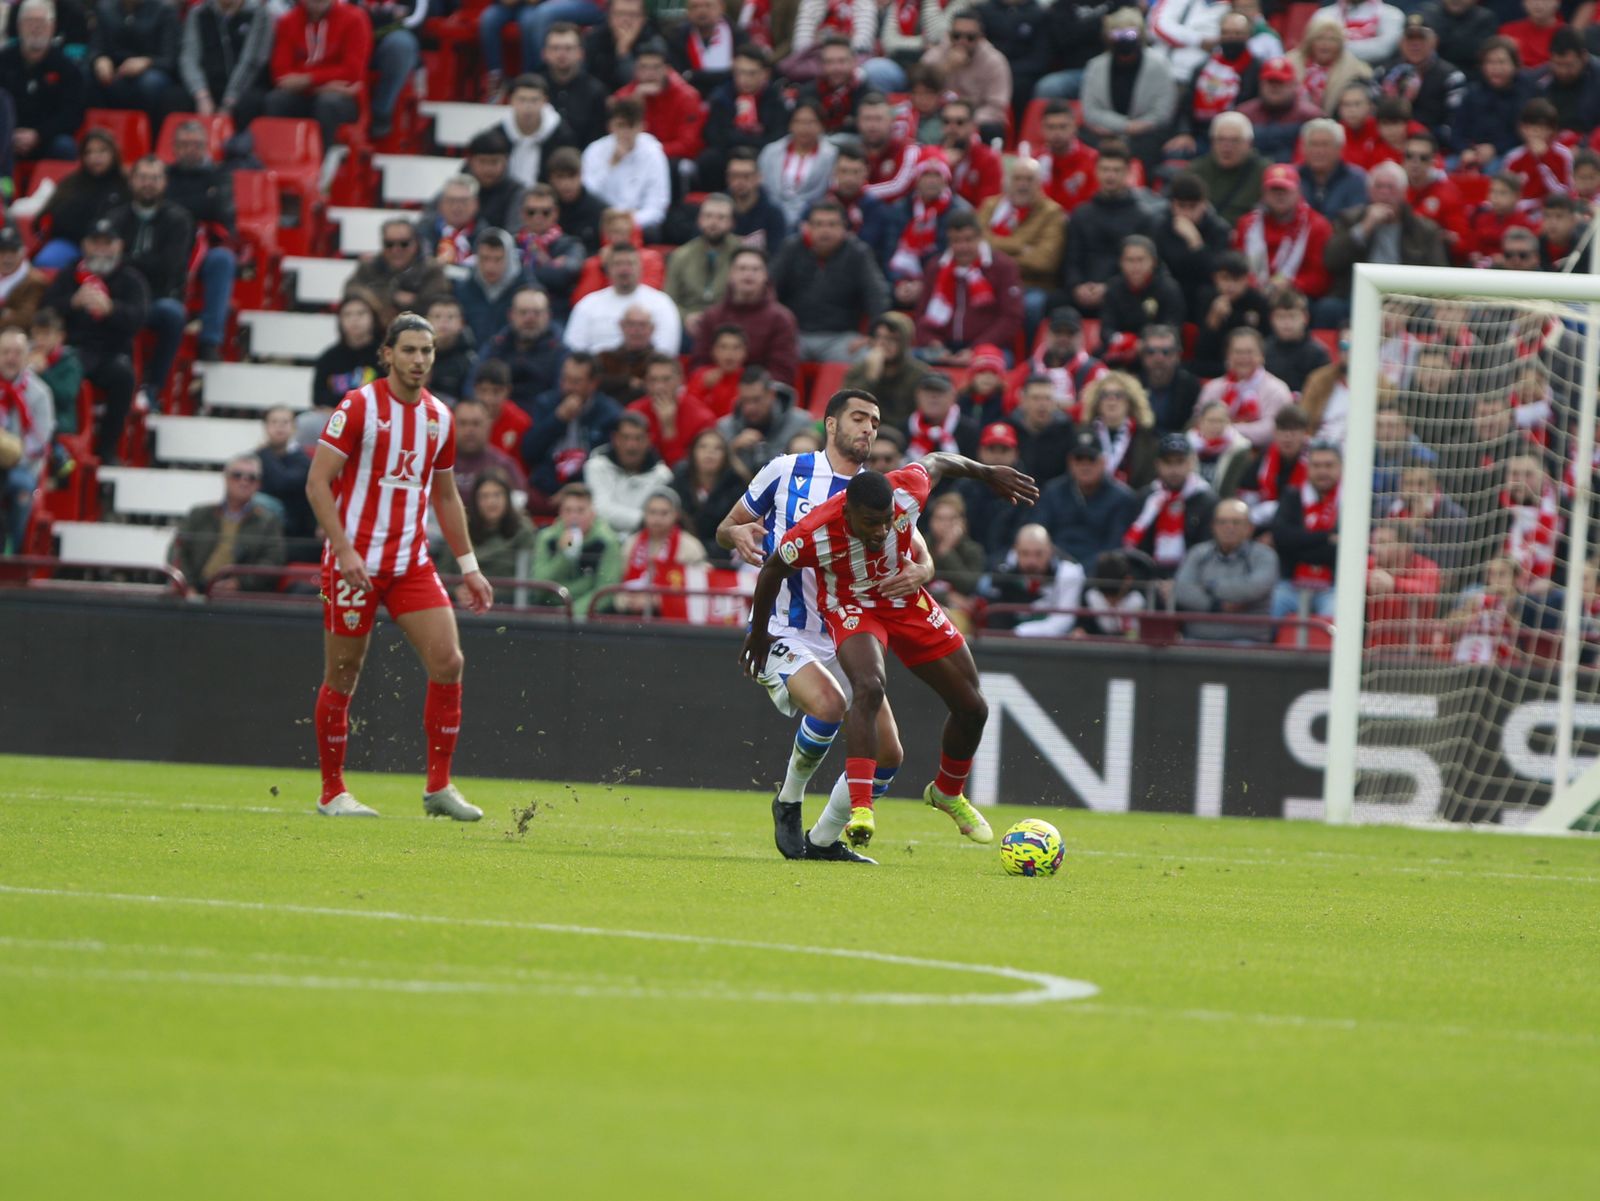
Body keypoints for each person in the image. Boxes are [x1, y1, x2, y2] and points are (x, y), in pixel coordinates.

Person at [741, 442, 1039, 854]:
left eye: (886, 522)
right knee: (869, 685)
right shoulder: (814, 531)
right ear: (846, 514)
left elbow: (939, 461)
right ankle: (861, 809)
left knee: (973, 706)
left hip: (906, 601)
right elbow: (772, 569)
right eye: (871, 524)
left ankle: (948, 793)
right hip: (852, 607)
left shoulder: (905, 491)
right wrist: (758, 634)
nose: (881, 531)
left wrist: (986, 472)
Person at [304, 312, 492, 820]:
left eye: (427, 351)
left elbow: (447, 498)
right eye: (409, 350)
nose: (418, 360)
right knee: (343, 672)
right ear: (387, 354)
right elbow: (317, 483)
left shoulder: (439, 417)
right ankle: (332, 792)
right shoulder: (358, 405)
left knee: (449, 661)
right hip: (352, 564)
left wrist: (470, 566)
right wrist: (343, 550)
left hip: (410, 563)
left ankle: (438, 787)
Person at [41, 218, 148, 464]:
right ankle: (56, 443)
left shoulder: (131, 280)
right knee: (51, 371)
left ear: (119, 246)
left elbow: (138, 318)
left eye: (106, 243)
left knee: (123, 375)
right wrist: (72, 303)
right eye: (94, 243)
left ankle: (108, 449)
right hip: (71, 351)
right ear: (84, 245)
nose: (100, 249)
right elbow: (45, 311)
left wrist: (111, 309)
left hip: (109, 354)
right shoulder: (69, 276)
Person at [107, 155, 194, 413]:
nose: (148, 184)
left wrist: (126, 260)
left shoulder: (179, 219)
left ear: (164, 182)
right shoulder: (115, 216)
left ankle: (152, 388)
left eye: (154, 178)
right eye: (143, 177)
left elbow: (170, 267)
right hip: (117, 296)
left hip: (158, 298)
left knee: (173, 314)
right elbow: (102, 260)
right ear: (132, 181)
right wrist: (140, 262)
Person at [1323, 160, 1450, 325]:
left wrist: (1409, 302)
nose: (1384, 193)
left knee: (1428, 313)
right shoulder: (1349, 219)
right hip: (1358, 295)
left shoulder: (1424, 229)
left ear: (1404, 193)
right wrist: (1364, 227)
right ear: (1369, 191)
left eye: (1391, 187)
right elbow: (1331, 261)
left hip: (1407, 300)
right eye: (1379, 187)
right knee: (1328, 308)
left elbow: (1439, 274)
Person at [770, 201, 889, 362]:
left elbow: (877, 295)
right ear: (808, 228)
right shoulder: (791, 249)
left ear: (844, 228)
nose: (825, 231)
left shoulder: (858, 254)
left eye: (832, 224)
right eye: (818, 224)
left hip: (841, 338)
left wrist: (874, 335)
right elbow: (769, 289)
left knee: (867, 359)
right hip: (794, 334)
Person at [1057, 140, 1156, 317]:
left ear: (1127, 173)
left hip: (1124, 294)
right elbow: (1071, 259)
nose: (1110, 176)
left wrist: (1109, 288)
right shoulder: (1081, 214)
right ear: (1096, 171)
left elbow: (1145, 266)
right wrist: (1077, 286)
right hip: (1080, 293)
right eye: (1105, 169)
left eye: (1116, 170)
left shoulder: (1143, 217)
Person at [912, 211, 1024, 363]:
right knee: (909, 359)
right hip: (941, 347)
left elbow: (1011, 317)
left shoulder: (1002, 266)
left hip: (987, 346)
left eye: (968, 240)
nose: (962, 247)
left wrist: (976, 348)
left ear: (980, 238)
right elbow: (922, 314)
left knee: (996, 363)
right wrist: (933, 343)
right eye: (956, 241)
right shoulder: (936, 267)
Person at [169, 452, 286, 595]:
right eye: (237, 475)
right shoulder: (198, 514)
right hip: (194, 590)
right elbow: (177, 550)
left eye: (252, 477)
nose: (244, 481)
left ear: (258, 484)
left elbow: (272, 562)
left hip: (239, 598)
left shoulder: (269, 521)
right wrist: (188, 586)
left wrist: (239, 583)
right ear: (225, 478)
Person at [265, 0, 370, 153]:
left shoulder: (355, 18)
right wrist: (324, 84)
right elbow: (281, 74)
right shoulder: (288, 21)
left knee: (327, 104)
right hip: (311, 94)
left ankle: (320, 165)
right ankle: (279, 160)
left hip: (342, 99)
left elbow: (352, 72)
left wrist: (306, 79)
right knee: (276, 100)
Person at [977, 157, 1065, 337]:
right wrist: (1020, 246)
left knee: (1031, 306)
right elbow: (975, 246)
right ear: (1007, 181)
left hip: (1029, 284)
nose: (1022, 185)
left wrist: (994, 247)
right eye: (1017, 179)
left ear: (1040, 183)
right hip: (989, 281)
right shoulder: (990, 206)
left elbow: (1044, 261)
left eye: (1029, 179)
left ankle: (1027, 356)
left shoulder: (1052, 213)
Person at [1081, 8, 1177, 169]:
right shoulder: (1095, 66)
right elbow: (1090, 110)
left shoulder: (1160, 65)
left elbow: (1162, 112)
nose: (1124, 39)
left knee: (1149, 144)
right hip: (1104, 133)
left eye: (1130, 34)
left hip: (1146, 134)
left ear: (1140, 35)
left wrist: (1135, 128)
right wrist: (1124, 126)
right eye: (1117, 34)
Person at [1173, 498, 1278, 641]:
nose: (1229, 527)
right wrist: (1216, 606)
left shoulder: (1265, 555)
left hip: (1247, 641)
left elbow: (1253, 589)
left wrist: (1208, 586)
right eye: (1222, 522)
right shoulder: (1198, 553)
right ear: (1213, 526)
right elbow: (1182, 590)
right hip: (1196, 638)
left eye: (1236, 522)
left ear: (1250, 528)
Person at [522, 351, 621, 500]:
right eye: (565, 379)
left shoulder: (609, 414)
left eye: (576, 381)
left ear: (593, 383)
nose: (568, 387)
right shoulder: (546, 403)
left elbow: (607, 462)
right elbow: (529, 452)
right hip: (547, 489)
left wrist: (573, 491)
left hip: (590, 491)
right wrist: (557, 419)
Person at [1034, 429, 1140, 566]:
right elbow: (1039, 531)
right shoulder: (1053, 491)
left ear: (1103, 462)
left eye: (1091, 459)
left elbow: (1115, 546)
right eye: (1079, 459)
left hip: (1100, 574)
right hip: (1053, 568)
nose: (1085, 466)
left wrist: (1083, 571)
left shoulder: (1122, 498)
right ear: (1070, 462)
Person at [0, 0, 87, 164]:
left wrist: (39, 134)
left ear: (52, 27)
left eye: (41, 22)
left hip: (47, 138)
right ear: (18, 26)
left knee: (65, 146)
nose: (35, 27)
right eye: (29, 21)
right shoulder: (3, 61)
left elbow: (73, 113)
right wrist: (10, 132)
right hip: (7, 136)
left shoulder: (67, 67)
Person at [1235, 163, 1334, 303]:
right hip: (1254, 294)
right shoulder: (1246, 225)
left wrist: (1290, 284)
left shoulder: (1317, 226)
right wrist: (1255, 285)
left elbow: (1320, 277)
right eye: (1274, 190)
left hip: (1298, 298)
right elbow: (1238, 266)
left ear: (1298, 192)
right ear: (1263, 193)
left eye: (1285, 190)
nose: (1279, 195)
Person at [436, 469, 540, 601]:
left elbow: (527, 581)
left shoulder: (523, 531)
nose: (491, 502)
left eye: (497, 495)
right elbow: (443, 576)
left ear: (507, 498)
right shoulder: (460, 529)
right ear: (475, 500)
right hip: (463, 606)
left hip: (506, 607)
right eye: (484, 496)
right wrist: (456, 591)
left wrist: (484, 593)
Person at [699, 42, 788, 192]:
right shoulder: (721, 97)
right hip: (727, 155)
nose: (744, 79)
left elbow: (778, 136)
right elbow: (714, 134)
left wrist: (748, 141)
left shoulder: (775, 99)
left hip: (763, 155)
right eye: (739, 73)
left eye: (751, 73)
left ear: (765, 74)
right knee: (709, 160)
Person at [1123, 432, 1215, 577]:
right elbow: (1136, 548)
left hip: (1193, 577)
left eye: (1180, 461)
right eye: (1168, 462)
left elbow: (1207, 548)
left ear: (1191, 462)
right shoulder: (1146, 498)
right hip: (1147, 576)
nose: (1174, 469)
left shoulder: (1206, 499)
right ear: (1157, 464)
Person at [35, 130, 129, 271]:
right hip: (71, 243)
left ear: (114, 153)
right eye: (88, 152)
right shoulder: (70, 183)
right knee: (46, 260)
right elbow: (50, 217)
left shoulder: (126, 185)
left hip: (110, 248)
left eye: (102, 151)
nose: (95, 157)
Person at [1269, 437, 1342, 619]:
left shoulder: (1348, 499)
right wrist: (1326, 538)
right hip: (1291, 584)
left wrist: (1301, 543)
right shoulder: (1292, 495)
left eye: (1328, 465)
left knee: (1333, 614)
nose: (1322, 471)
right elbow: (1281, 538)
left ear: (1340, 467)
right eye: (1317, 465)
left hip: (1333, 587)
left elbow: (1347, 549)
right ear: (1308, 468)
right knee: (1275, 604)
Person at [976, 522, 1087, 637]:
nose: (1031, 561)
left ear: (1050, 551)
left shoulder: (1070, 571)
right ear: (1016, 550)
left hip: (1054, 644)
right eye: (1025, 553)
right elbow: (997, 617)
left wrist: (1020, 632)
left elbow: (1064, 620)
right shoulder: (1001, 569)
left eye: (1039, 554)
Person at [531, 482, 623, 617]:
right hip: (548, 610)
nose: (574, 516)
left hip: (588, 616)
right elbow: (538, 587)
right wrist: (563, 555)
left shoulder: (607, 542)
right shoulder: (547, 538)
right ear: (560, 512)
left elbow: (605, 592)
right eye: (568, 510)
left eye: (580, 510)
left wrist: (572, 613)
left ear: (592, 512)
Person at [87, 0, 184, 127]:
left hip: (152, 70)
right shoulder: (105, 9)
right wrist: (99, 59)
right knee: (86, 77)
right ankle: (97, 134)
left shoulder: (164, 11)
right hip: (116, 69)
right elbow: (95, 46)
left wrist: (147, 62)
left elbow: (170, 59)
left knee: (149, 83)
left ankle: (146, 135)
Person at [1151, 171, 1233, 320]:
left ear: (1204, 205)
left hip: (1200, 293)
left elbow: (1216, 274)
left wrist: (1195, 242)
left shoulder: (1218, 230)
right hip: (1171, 290)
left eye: (1193, 207)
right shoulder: (1160, 227)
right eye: (1182, 206)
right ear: (1172, 205)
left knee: (1208, 293)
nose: (1187, 213)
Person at [0, 327, 53, 553]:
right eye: (5, 352)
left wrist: (10, 453)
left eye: (17, 352)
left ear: (26, 356)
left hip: (24, 466)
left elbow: (40, 443)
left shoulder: (39, 392)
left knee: (21, 489)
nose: (11, 358)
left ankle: (15, 551)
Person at [1197, 327, 1294, 450]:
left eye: (1249, 352)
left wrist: (1226, 430)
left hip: (1260, 456)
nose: (1243, 358)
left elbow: (1270, 431)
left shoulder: (1277, 390)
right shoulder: (1212, 388)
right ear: (1228, 356)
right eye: (1237, 352)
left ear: (1261, 356)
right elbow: (1199, 423)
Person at [920, 12, 1012, 141]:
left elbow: (996, 108)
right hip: (938, 117)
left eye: (970, 37)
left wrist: (964, 120)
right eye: (956, 36)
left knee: (992, 129)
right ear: (949, 35)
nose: (962, 41)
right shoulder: (934, 57)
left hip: (976, 120)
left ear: (980, 38)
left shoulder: (994, 62)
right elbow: (920, 91)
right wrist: (945, 68)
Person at [615, 487, 708, 612]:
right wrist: (626, 601)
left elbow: (697, 587)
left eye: (664, 513)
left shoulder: (691, 546)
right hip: (630, 613)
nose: (657, 519)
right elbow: (618, 583)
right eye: (652, 512)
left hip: (674, 616)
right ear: (644, 514)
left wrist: (657, 601)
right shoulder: (631, 543)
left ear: (676, 515)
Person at [1098, 235, 1186, 365]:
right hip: (1121, 349)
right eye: (1130, 260)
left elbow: (1172, 328)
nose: (1135, 266)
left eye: (1141, 260)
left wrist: (1144, 344)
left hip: (1157, 351)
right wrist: (1125, 342)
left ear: (1153, 262)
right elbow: (1106, 328)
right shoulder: (1113, 287)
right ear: (1120, 262)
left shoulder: (1168, 289)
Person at [615, 40, 707, 165]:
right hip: (631, 158)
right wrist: (635, 104)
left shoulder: (687, 97)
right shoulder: (624, 97)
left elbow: (688, 145)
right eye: (643, 67)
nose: (649, 74)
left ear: (666, 69)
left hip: (668, 159)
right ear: (635, 69)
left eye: (656, 67)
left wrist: (649, 152)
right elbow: (617, 137)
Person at [583, 410, 673, 534]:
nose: (631, 445)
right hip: (601, 542)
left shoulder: (663, 476)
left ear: (648, 440)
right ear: (615, 439)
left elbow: (662, 516)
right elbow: (600, 509)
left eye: (638, 438)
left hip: (644, 543)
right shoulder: (596, 466)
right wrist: (644, 519)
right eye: (626, 438)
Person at [715, 366, 815, 478]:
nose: (750, 407)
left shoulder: (800, 424)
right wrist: (731, 450)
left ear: (771, 395)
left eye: (756, 400)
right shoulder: (725, 428)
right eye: (745, 400)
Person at [842, 312, 934, 428]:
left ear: (904, 343)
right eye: (878, 337)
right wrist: (871, 377)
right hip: (863, 431)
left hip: (900, 434)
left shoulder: (919, 374)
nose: (882, 343)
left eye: (892, 339)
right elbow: (848, 409)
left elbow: (923, 417)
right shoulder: (860, 369)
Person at [758, 101, 838, 231]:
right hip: (771, 215)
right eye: (799, 122)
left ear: (821, 126)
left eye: (810, 122)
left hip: (812, 217)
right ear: (790, 125)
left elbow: (829, 190)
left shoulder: (831, 155)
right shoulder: (770, 152)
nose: (804, 128)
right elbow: (762, 187)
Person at [625, 354, 715, 469]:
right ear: (645, 382)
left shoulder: (702, 418)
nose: (659, 387)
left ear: (680, 380)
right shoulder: (633, 412)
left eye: (666, 379)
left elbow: (688, 471)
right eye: (653, 380)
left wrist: (668, 430)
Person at [666, 194, 737, 339]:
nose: (713, 222)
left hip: (731, 325)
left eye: (721, 217)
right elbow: (668, 301)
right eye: (708, 216)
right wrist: (686, 317)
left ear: (731, 223)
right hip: (688, 325)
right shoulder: (680, 256)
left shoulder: (742, 254)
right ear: (699, 220)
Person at [672, 427, 745, 565]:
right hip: (681, 554)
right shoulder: (679, 480)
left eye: (717, 448)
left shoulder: (737, 485)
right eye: (703, 447)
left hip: (723, 559)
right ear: (692, 452)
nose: (709, 452)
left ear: (725, 455)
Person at [485, 286, 566, 408]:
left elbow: (560, 392)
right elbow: (474, 383)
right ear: (511, 315)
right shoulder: (496, 345)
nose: (530, 318)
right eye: (523, 312)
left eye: (537, 313)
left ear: (548, 316)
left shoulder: (561, 352)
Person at [1235, 56, 1324, 164]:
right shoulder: (1244, 114)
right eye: (1270, 82)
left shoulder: (1311, 116)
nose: (1274, 87)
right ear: (1261, 84)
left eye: (1280, 82)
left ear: (1293, 85)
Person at [256, 405, 316, 560]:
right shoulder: (255, 458)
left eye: (285, 422)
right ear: (265, 427)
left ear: (294, 428)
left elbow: (282, 483)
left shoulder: (302, 460)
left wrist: (265, 452)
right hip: (260, 527)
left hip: (293, 528)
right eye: (274, 422)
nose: (279, 427)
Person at [1186, 111, 1267, 227]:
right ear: (1212, 142)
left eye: (1234, 141)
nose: (1226, 147)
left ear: (1249, 143)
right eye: (1220, 139)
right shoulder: (1195, 171)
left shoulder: (1263, 172)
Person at [1082, 372, 1160, 490]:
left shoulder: (1147, 438)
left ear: (1130, 402)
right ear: (1097, 402)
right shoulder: (1082, 435)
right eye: (1105, 395)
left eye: (1119, 395)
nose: (1112, 400)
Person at [1288, 12, 1372, 116]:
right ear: (1310, 41)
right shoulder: (1290, 62)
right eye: (1320, 38)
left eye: (1332, 39)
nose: (1325, 44)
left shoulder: (1356, 70)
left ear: (1340, 44)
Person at [311, 290, 383, 410]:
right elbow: (318, 398)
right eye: (347, 314)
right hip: (336, 417)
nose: (354, 319)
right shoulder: (328, 358)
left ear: (373, 317)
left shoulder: (386, 354)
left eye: (361, 313)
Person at [924, 491, 986, 626]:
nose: (945, 524)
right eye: (940, 518)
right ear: (931, 521)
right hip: (925, 607)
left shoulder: (973, 550)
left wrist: (946, 552)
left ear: (962, 522)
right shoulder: (922, 546)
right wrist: (947, 596)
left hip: (960, 613)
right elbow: (917, 585)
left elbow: (969, 586)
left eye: (951, 519)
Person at [450, 394, 527, 499]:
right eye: (463, 423)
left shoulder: (504, 465)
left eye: (476, 423)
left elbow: (519, 502)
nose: (469, 430)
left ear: (488, 425)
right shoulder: (437, 463)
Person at [1296, 118, 1370, 223]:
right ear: (1303, 148)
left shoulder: (1357, 179)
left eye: (1325, 145)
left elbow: (1356, 220)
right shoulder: (1292, 178)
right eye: (1313, 144)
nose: (1319, 151)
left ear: (1340, 149)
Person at [1135, 323, 1201, 435]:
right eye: (1151, 352)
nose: (1159, 358)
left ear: (1178, 355)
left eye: (1166, 352)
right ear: (1143, 355)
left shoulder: (1190, 385)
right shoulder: (1133, 384)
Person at [667, 0, 738, 97]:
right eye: (695, 7)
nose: (701, 11)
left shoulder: (736, 34)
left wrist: (694, 75)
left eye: (708, 5)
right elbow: (678, 76)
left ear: (721, 7)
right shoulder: (678, 37)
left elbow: (738, 74)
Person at [724, 146, 789, 251]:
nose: (740, 181)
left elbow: (777, 256)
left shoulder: (773, 213)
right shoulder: (717, 208)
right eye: (734, 176)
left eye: (746, 176)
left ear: (758, 177)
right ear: (727, 178)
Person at [903, 373, 979, 462]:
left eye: (940, 392)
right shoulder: (905, 428)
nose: (933, 397)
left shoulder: (970, 430)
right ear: (917, 396)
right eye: (928, 391)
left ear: (953, 396)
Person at [0, 228, 48, 334]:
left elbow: (24, 320)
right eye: (2, 251)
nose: (7, 258)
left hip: (14, 340)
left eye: (13, 251)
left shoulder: (35, 281)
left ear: (23, 252)